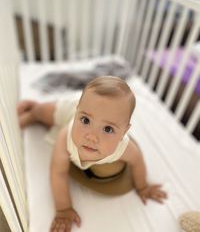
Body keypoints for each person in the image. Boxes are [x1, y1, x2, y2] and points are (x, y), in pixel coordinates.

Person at [17, 76, 167, 232]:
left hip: (84, 109)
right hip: (67, 111)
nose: (92, 137)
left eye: (108, 129)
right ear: (78, 114)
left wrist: (142, 187)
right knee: (44, 112)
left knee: (67, 115)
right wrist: (63, 209)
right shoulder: (66, 137)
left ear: (124, 132)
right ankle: (33, 110)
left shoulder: (124, 148)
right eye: (86, 121)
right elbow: (58, 172)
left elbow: (137, 161)